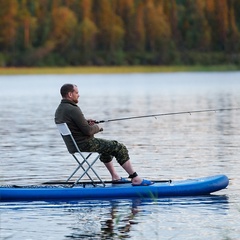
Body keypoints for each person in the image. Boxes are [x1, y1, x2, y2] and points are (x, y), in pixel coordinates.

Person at [55, 83, 153, 186]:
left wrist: (85, 122)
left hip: (73, 146)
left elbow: (74, 125)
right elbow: (88, 131)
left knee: (106, 148)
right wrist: (98, 128)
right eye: (76, 92)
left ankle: (115, 176)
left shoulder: (60, 109)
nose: (78, 95)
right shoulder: (73, 109)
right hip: (84, 144)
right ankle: (135, 178)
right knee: (119, 147)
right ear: (70, 94)